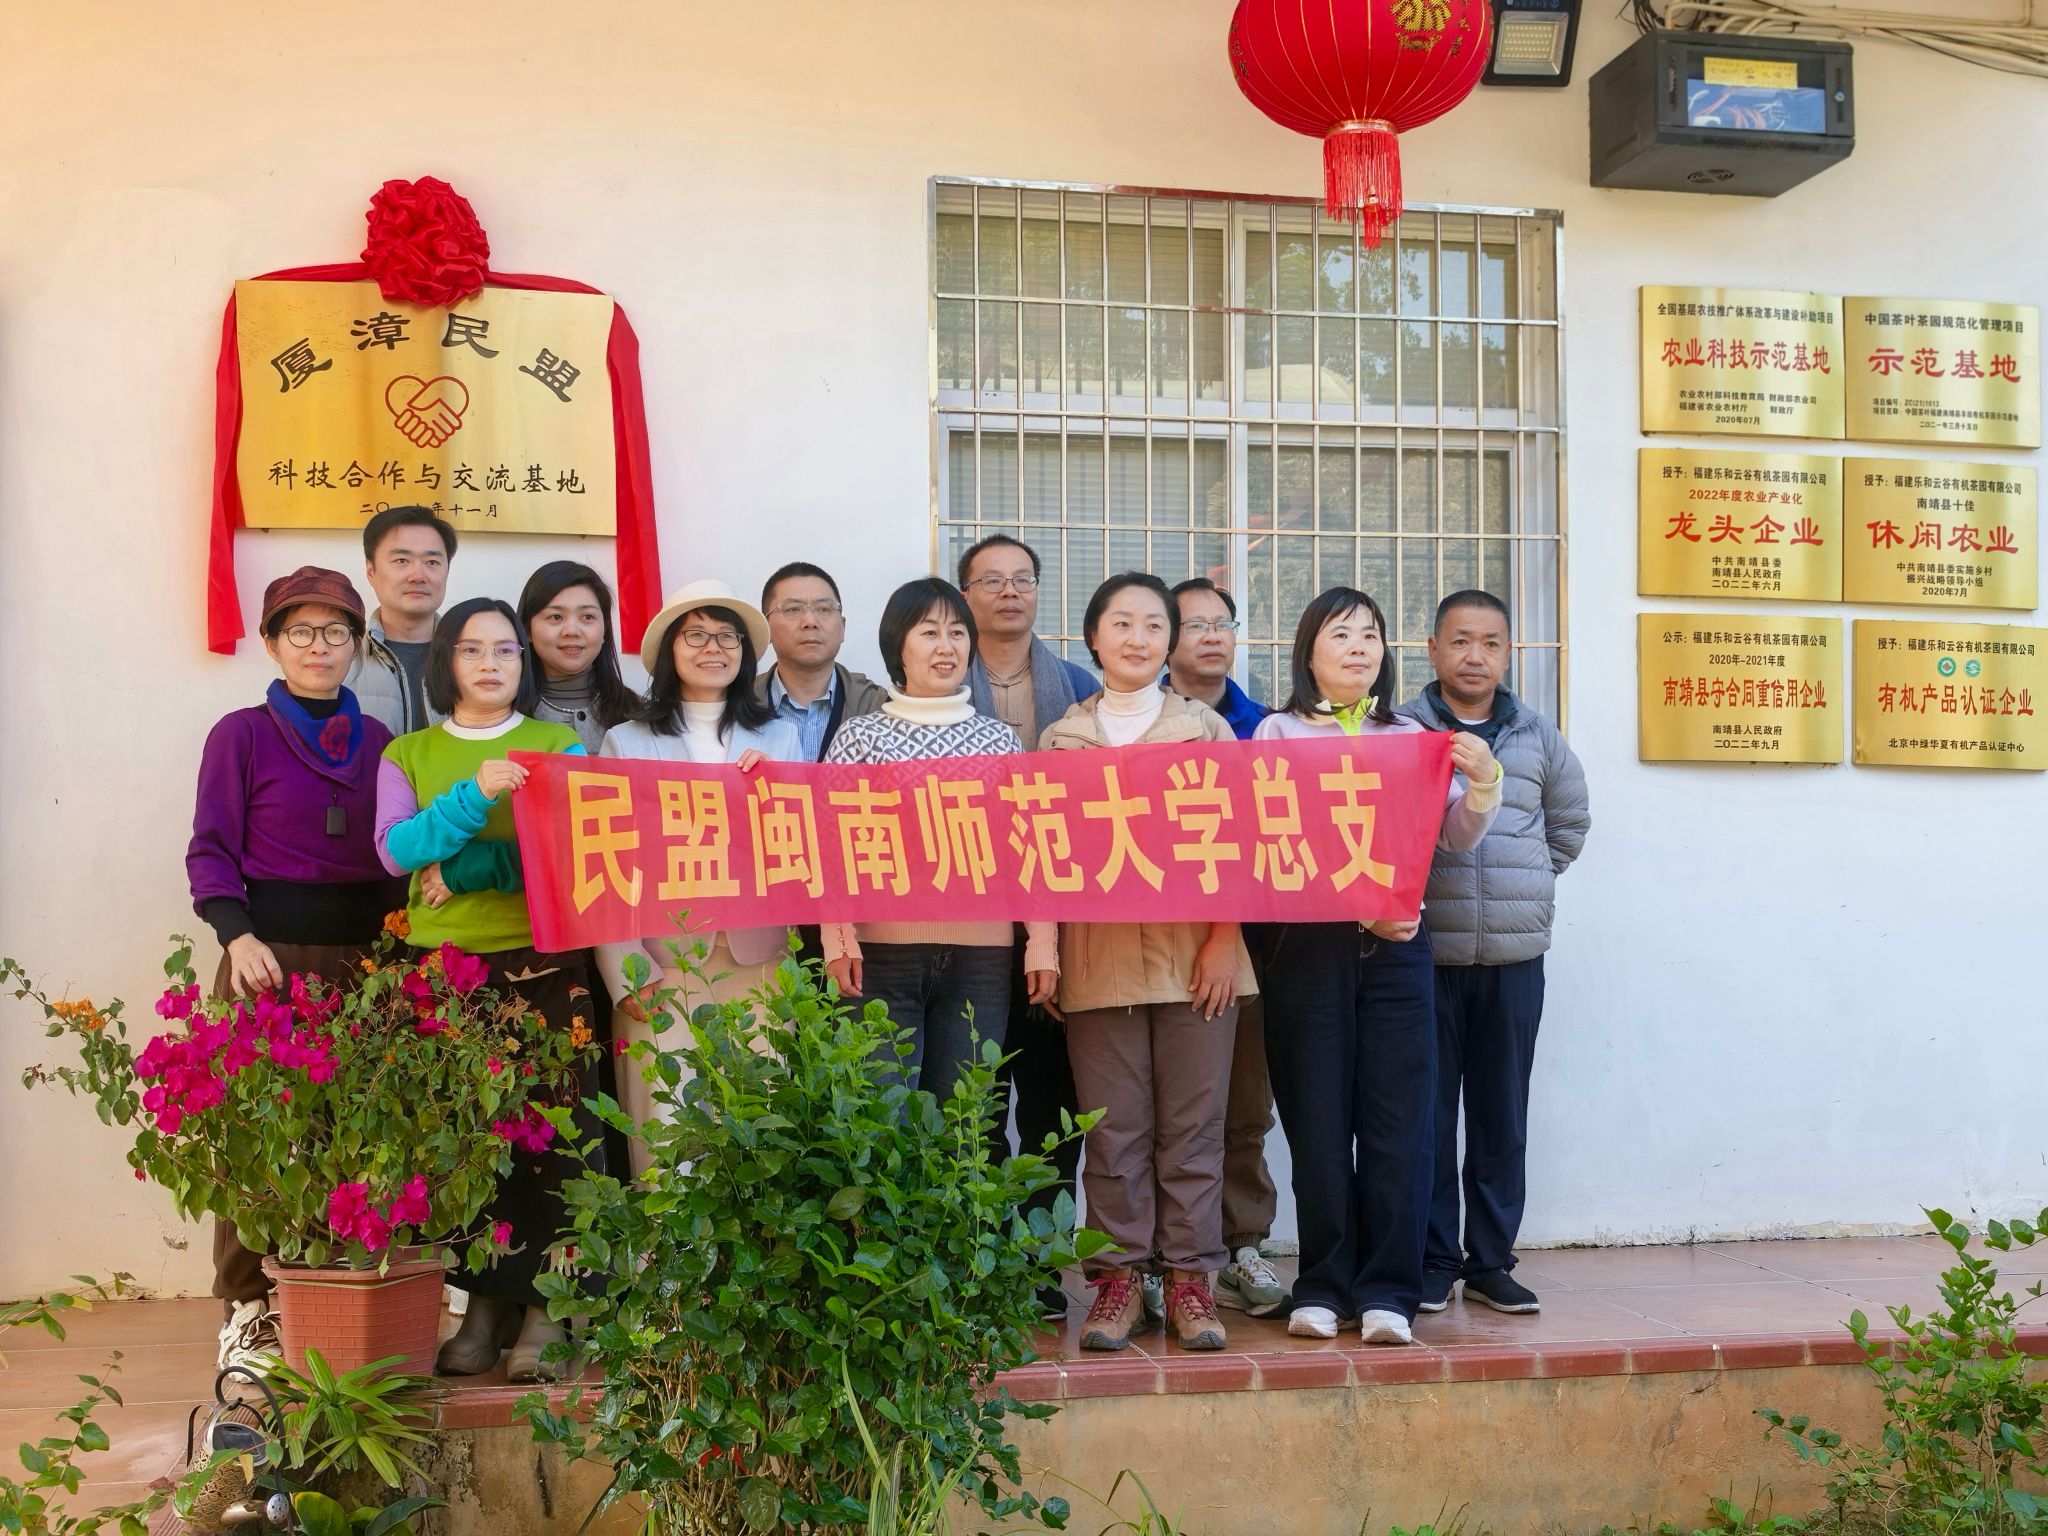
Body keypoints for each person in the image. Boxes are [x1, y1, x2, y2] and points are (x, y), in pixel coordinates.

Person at [1252, 587, 1503, 1346]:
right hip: (1307, 951)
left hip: (1399, 952)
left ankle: (1390, 1290)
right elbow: (1273, 845)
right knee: (1319, 1126)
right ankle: (1323, 1284)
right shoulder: (1277, 733)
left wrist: (1484, 782)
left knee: (1399, 1125)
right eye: (1340, 634)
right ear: (1309, 652)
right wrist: (1360, 905)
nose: (1358, 646)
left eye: (1370, 633)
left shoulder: (1410, 734)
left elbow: (1453, 835)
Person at [187, 566, 406, 1371]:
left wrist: (399, 954)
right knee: (256, 1140)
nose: (320, 647)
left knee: (355, 1137)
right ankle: (247, 1310)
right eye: (302, 632)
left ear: (357, 646)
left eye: (336, 632)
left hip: (362, 967)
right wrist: (236, 937)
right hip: (267, 963)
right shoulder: (240, 735)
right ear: (273, 643)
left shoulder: (379, 743)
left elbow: (390, 858)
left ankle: (339, 1302)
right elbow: (211, 848)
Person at [373, 597, 591, 1381]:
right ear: (447, 663)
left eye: (505, 649)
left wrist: (469, 867)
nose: (491, 663)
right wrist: (476, 794)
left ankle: (548, 1314)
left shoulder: (557, 745)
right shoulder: (408, 752)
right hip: (445, 974)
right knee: (469, 1144)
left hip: (545, 966)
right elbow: (396, 850)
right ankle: (484, 1309)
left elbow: (574, 853)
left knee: (554, 1146)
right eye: (472, 650)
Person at [1041, 573, 1258, 1354]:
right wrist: (1045, 948)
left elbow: (1242, 838)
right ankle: (1119, 1282)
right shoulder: (1060, 740)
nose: (1137, 638)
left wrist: (1226, 938)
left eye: (1153, 625)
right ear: (1093, 638)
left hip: (1198, 956)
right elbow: (1040, 855)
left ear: (1169, 642)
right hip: (1096, 960)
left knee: (1194, 1131)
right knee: (1112, 1133)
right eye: (1121, 623)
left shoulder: (1205, 730)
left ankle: (1191, 1281)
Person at [1401, 590, 1590, 1317]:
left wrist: (1528, 878)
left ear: (1508, 653)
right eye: (1459, 641)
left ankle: (1490, 1262)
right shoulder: (1405, 731)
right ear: (1433, 650)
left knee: (1500, 1115)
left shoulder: (1537, 735)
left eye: (1489, 642)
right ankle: (1433, 1260)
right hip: (1425, 955)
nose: (1474, 656)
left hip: (1514, 958)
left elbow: (1568, 823)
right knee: (1425, 1117)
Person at [821, 578, 1058, 1099]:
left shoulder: (1000, 741)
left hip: (982, 961)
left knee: (963, 1117)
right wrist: (838, 938)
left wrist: (1043, 943)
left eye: (957, 632)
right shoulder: (860, 737)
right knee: (881, 1117)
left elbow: (1030, 847)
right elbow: (832, 845)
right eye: (929, 632)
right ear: (898, 645)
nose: (946, 646)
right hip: (881, 957)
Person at [594, 580, 801, 1171]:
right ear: (669, 651)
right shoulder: (626, 741)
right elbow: (606, 861)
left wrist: (780, 789)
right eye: (696, 636)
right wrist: (628, 971)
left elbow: (804, 848)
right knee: (668, 1141)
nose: (714, 648)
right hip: (662, 969)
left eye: (727, 636)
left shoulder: (781, 736)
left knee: (761, 1136)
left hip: (760, 965)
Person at [958, 534, 1099, 1317]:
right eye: (991, 580)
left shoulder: (1078, 689)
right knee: (976, 1099)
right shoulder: (933, 686)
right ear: (964, 597)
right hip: (969, 927)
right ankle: (979, 1257)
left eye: (1022, 579)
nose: (1009, 591)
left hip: (1060, 927)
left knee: (1052, 1104)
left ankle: (1042, 1262)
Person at [1164, 577, 1286, 1320]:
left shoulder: (1267, 728)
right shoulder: (1142, 724)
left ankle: (1243, 1244)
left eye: (1223, 623)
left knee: (1243, 1101)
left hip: (1248, 944)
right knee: (1165, 1112)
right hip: (1156, 940)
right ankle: (1162, 1260)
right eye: (1195, 624)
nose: (1212, 636)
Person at [752, 562, 887, 762]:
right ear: (766, 627)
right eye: (793, 609)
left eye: (824, 609)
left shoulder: (878, 706)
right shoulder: (737, 704)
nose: (810, 622)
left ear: (842, 627)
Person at [348, 505, 456, 736]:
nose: (418, 576)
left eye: (432, 562)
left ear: (447, 571)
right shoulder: (343, 660)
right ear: (371, 571)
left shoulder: (473, 658)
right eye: (401, 560)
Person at [518, 561, 642, 752]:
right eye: (556, 617)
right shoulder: (501, 716)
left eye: (588, 617)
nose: (572, 631)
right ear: (527, 630)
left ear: (605, 630)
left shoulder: (640, 715)